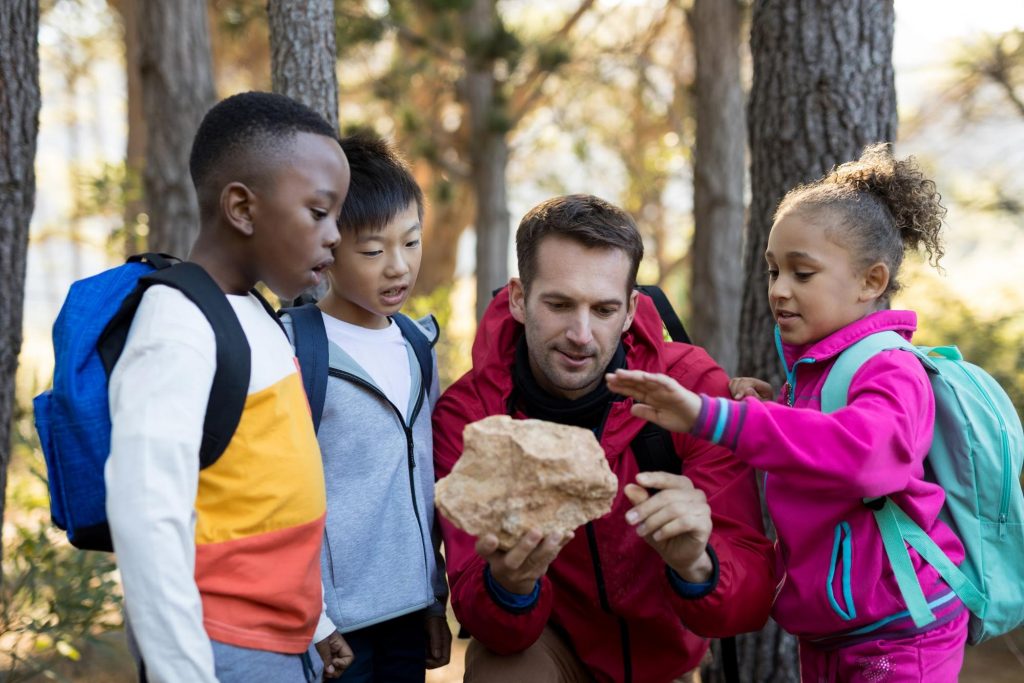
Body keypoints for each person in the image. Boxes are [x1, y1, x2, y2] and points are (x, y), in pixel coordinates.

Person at [607, 144, 968, 682]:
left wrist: (716, 418)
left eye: (802, 273)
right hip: (832, 635)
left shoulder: (892, 368)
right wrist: (770, 407)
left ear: (872, 282)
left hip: (900, 633)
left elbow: (864, 456)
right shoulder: (817, 376)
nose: (778, 291)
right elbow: (817, 456)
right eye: (774, 271)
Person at [432, 194, 776, 683]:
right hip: (547, 649)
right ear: (517, 298)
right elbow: (482, 611)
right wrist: (509, 586)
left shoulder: (690, 390)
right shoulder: (470, 417)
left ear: (632, 309)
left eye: (603, 309)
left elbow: (751, 595)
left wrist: (697, 564)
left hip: (668, 661)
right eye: (559, 304)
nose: (581, 333)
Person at [104, 91, 350, 682]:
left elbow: (257, 494)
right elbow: (148, 520)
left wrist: (313, 622)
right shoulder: (179, 324)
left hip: (283, 642)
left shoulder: (256, 315)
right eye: (319, 213)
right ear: (241, 207)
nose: (336, 235)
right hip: (219, 645)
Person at [282, 132, 451, 682]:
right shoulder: (292, 348)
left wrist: (433, 598)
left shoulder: (417, 346)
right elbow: (279, 494)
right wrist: (313, 618)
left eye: (411, 242)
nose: (398, 268)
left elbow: (422, 480)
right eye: (374, 251)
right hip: (333, 625)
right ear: (328, 247)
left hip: (408, 614)